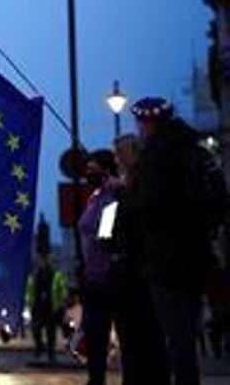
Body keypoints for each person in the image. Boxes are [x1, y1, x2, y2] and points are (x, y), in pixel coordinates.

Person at [126, 96, 225, 385]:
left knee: (174, 335)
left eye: (140, 123)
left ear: (147, 123)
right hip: (196, 257)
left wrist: (131, 184)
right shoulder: (197, 152)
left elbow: (144, 205)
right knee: (187, 333)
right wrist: (206, 231)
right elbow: (219, 195)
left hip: (163, 259)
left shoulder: (154, 156)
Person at [109, 133, 171, 385]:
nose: (119, 158)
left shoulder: (144, 187)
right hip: (125, 276)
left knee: (150, 337)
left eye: (122, 153)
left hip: (144, 272)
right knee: (131, 339)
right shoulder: (117, 193)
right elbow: (105, 236)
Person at [77, 149, 119, 385]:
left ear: (105, 172)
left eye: (93, 171)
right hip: (91, 276)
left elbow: (106, 238)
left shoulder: (110, 200)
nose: (87, 175)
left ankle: (97, 379)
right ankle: (95, 378)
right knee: (93, 335)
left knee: (100, 334)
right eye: (87, 171)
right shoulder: (94, 198)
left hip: (105, 278)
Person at [26, 254, 66, 363]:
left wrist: (61, 306)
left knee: (50, 333)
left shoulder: (57, 275)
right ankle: (40, 348)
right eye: (42, 261)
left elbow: (62, 292)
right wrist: (30, 305)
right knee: (36, 329)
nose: (44, 263)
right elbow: (29, 292)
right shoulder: (34, 276)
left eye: (46, 261)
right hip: (38, 307)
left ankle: (51, 354)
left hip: (51, 308)